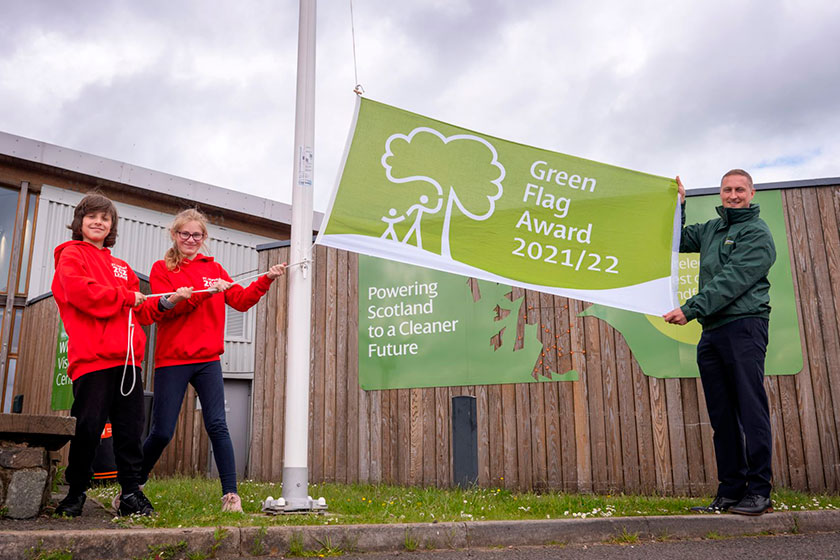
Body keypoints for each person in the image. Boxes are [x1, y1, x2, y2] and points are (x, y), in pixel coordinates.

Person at [52, 193, 192, 517]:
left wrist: (168, 301)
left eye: (105, 218)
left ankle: (130, 493)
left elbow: (142, 312)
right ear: (80, 222)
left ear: (112, 226)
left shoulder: (122, 267)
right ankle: (75, 492)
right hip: (92, 359)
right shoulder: (70, 255)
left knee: (130, 432)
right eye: (92, 216)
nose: (98, 222)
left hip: (128, 361)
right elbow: (82, 294)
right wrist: (126, 296)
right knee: (88, 427)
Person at [139, 208, 286, 513]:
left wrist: (267, 279)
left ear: (204, 238)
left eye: (197, 235)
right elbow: (169, 311)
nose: (191, 239)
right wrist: (202, 294)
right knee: (162, 431)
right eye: (185, 234)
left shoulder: (215, 269)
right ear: (174, 235)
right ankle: (132, 486)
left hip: (208, 359)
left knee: (218, 424)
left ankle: (231, 495)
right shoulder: (161, 269)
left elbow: (242, 301)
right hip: (173, 359)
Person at [664, 170, 776, 516]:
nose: (733, 195)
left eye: (739, 189)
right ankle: (730, 491)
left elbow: (732, 280)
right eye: (727, 189)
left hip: (745, 326)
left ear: (752, 193)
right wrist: (677, 205)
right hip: (712, 332)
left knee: (750, 409)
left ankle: (759, 491)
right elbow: (675, 241)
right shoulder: (712, 230)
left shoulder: (757, 234)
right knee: (722, 416)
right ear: (720, 192)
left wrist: (691, 308)